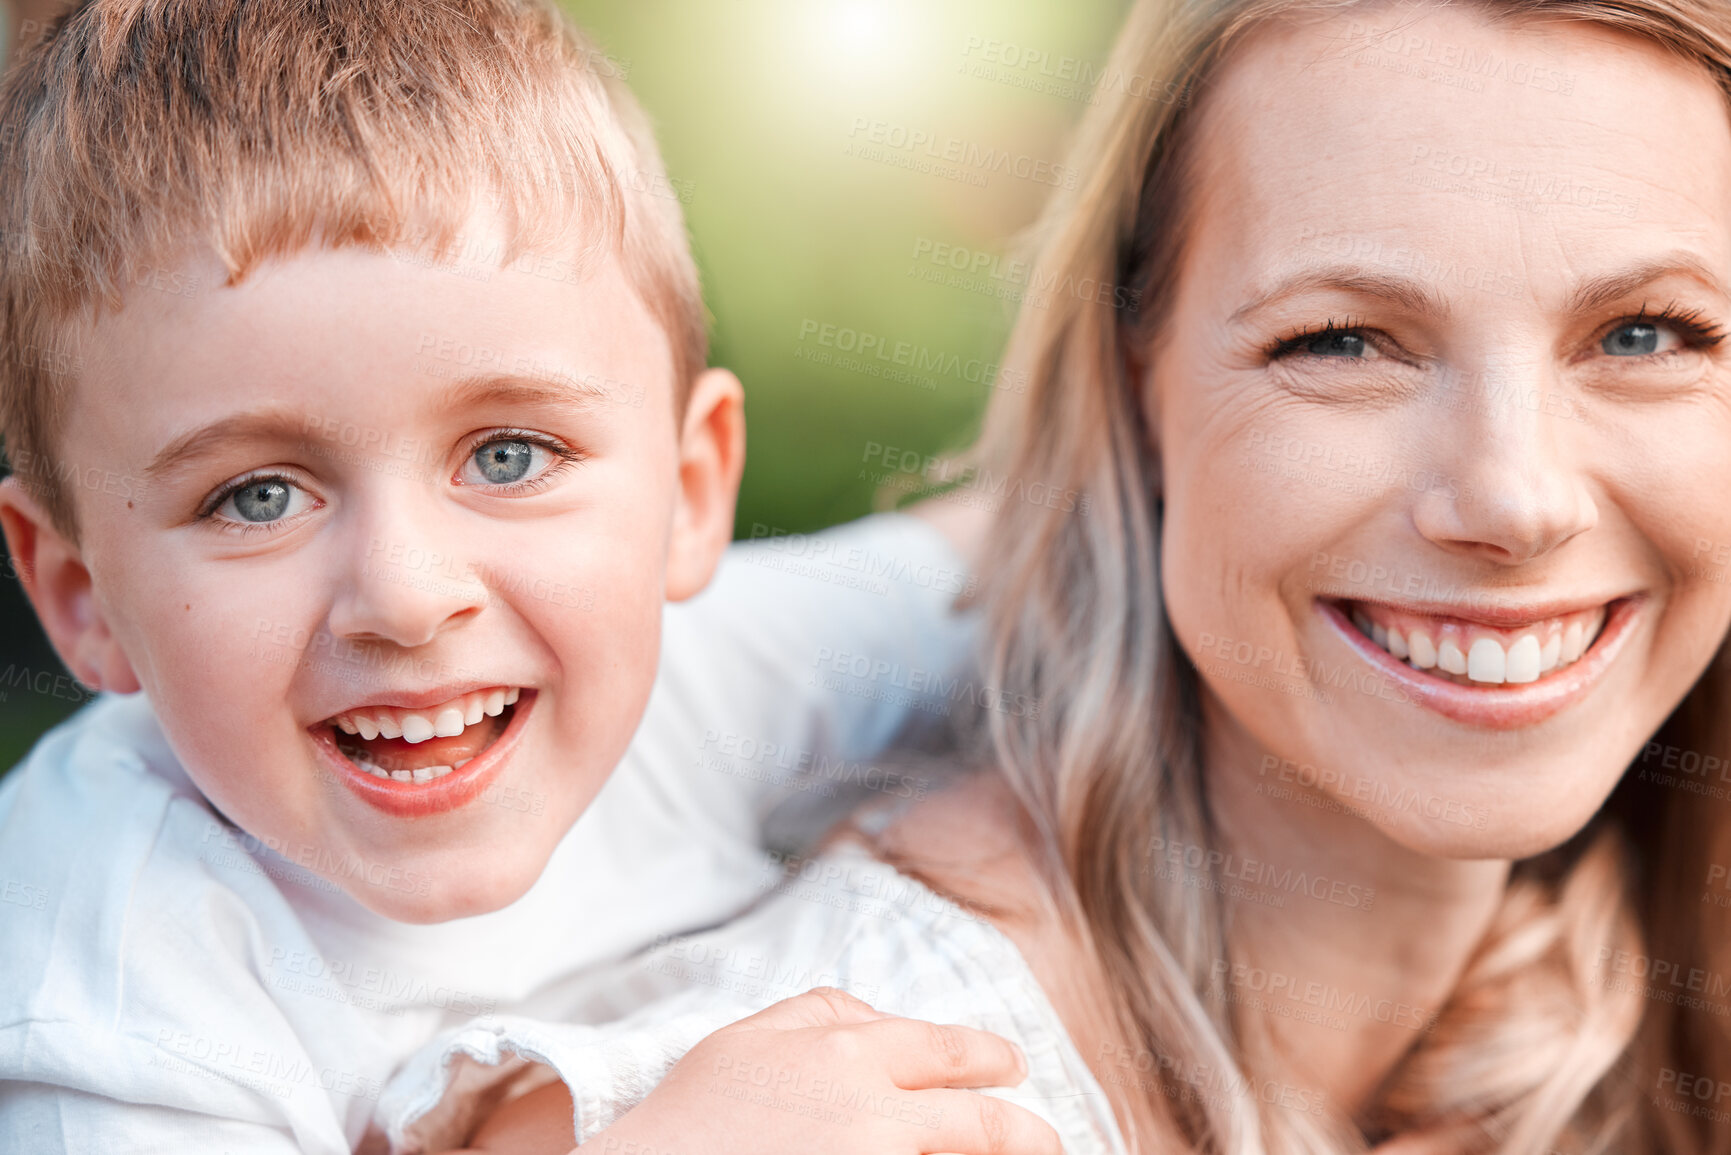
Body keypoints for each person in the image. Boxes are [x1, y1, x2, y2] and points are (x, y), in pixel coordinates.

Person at [390, 0, 1731, 1151]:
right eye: (1339, 341)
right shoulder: (877, 1082)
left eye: (1646, 330)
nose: (1511, 496)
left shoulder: (1619, 993)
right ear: (1131, 385)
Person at [0, 2, 1063, 1153]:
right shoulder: (109, 990)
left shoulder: (694, 689)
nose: (408, 595)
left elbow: (1013, 548)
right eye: (258, 496)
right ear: (82, 596)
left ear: (690, 493)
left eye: (509, 457)